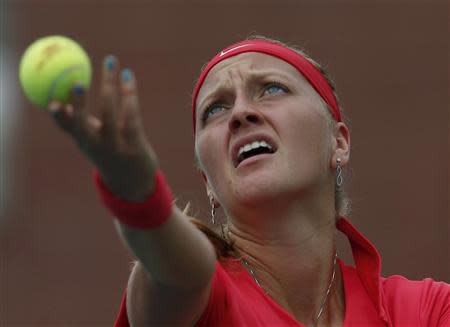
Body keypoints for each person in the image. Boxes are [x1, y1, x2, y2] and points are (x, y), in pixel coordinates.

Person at [48, 36, 449, 326]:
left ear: (338, 142)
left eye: (271, 89)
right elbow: (176, 271)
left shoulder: (422, 310)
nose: (240, 113)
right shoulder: (204, 296)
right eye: (215, 109)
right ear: (208, 181)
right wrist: (137, 194)